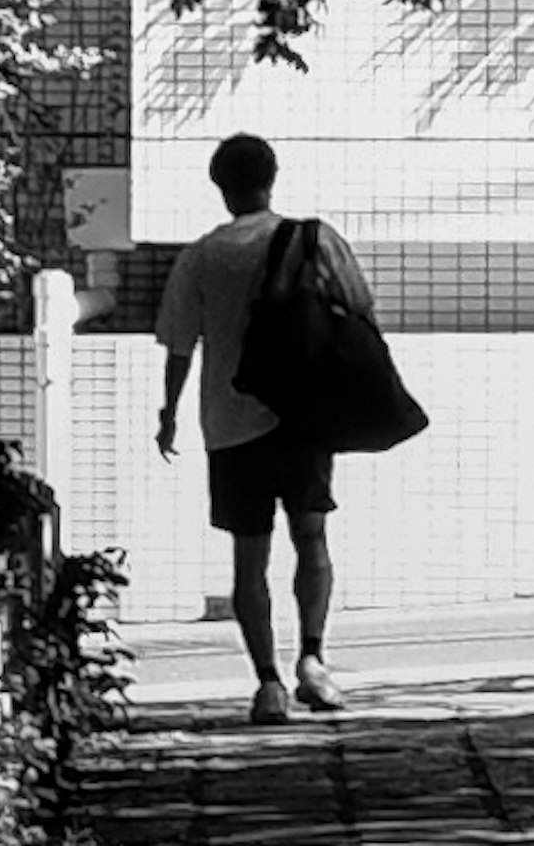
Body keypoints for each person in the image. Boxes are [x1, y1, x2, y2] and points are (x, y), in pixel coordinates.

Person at [154, 130, 370, 722]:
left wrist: (168, 414)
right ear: (272, 177)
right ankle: (313, 661)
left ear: (220, 187)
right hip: (302, 418)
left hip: (229, 424)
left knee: (249, 558)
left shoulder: (202, 255)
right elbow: (359, 310)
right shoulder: (313, 240)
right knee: (312, 539)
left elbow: (179, 345)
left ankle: (267, 684)